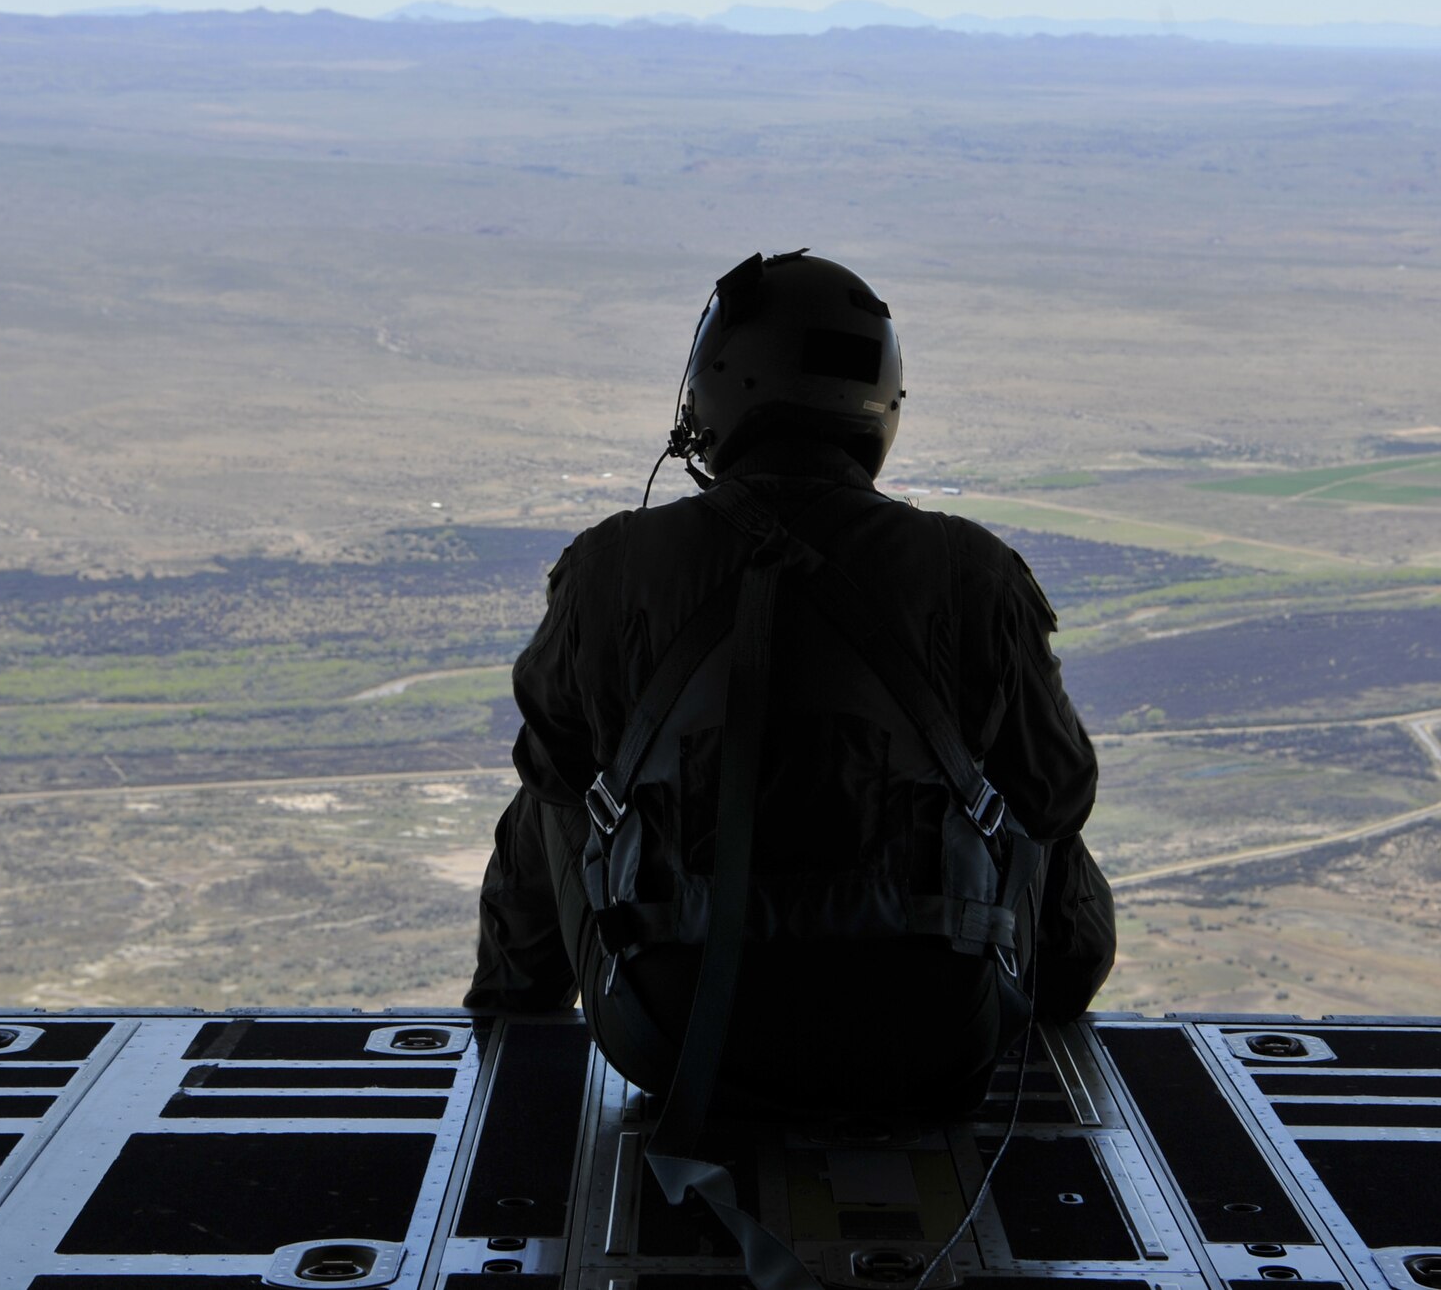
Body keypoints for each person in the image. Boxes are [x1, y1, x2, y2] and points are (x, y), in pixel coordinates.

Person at [464, 250, 1114, 1117]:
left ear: (716, 391)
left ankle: (508, 1027)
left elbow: (558, 790)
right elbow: (1056, 797)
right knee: (1033, 790)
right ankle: (1055, 1005)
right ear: (880, 403)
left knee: (553, 783)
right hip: (932, 1039)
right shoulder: (974, 573)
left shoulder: (609, 569)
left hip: (671, 1037)